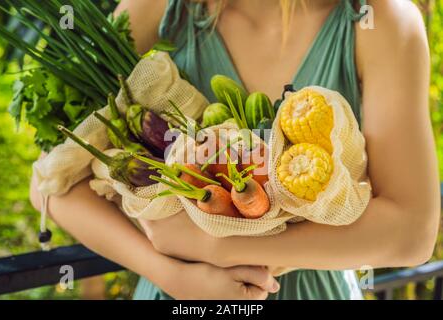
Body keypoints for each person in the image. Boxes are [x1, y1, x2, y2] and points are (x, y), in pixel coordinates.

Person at [30, 0, 440, 300]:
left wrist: (217, 246)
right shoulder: (164, 9)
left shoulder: (380, 20)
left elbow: (412, 232)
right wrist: (170, 273)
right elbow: (50, 182)